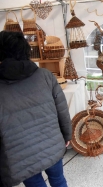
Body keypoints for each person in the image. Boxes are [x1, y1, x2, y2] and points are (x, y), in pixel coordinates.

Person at [0, 31, 72, 187]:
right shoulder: (45, 75)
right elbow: (62, 110)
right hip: (51, 143)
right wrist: (67, 135)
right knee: (59, 180)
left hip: (20, 154)